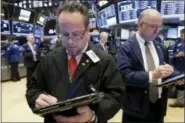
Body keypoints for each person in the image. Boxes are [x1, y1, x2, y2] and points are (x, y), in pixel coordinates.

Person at [26, 2, 125, 123]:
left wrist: (93, 115)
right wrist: (36, 98)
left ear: (88, 29)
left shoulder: (105, 60)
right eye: (65, 34)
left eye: (76, 34)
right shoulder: (49, 59)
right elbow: (33, 87)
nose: (70, 41)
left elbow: (116, 96)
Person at [116, 9, 183, 123]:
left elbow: (166, 69)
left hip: (158, 108)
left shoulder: (160, 46)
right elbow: (123, 76)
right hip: (135, 110)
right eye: (153, 26)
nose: (157, 31)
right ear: (140, 24)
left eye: (159, 27)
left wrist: (177, 77)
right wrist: (152, 75)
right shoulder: (126, 48)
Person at [170, 28, 185, 107]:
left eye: (184, 35)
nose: (182, 37)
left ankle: (180, 101)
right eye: (181, 35)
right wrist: (177, 55)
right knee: (179, 84)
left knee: (182, 84)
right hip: (178, 67)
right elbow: (172, 55)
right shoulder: (177, 42)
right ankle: (180, 101)